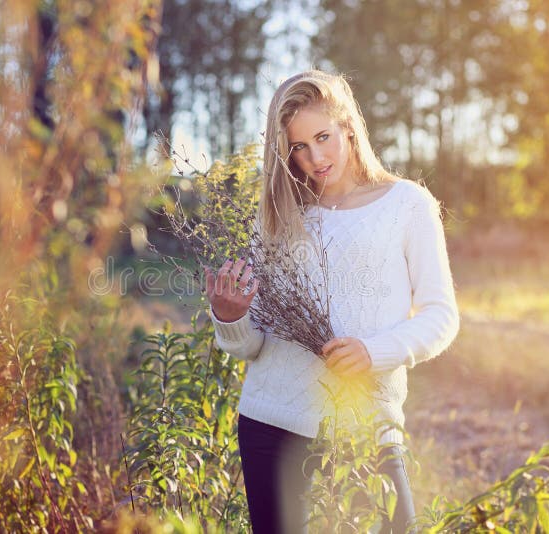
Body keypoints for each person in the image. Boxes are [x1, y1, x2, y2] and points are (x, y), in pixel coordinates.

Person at [203, 70, 460, 534]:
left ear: (348, 125)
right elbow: (251, 346)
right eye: (298, 147)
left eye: (323, 137)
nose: (315, 158)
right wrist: (230, 318)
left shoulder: (407, 205)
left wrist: (373, 352)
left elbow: (441, 317)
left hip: (366, 424)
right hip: (271, 425)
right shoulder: (280, 217)